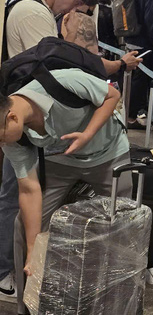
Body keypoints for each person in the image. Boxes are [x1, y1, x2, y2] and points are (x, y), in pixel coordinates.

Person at [1, 68, 133, 312]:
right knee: (24, 226)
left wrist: (87, 133)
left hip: (109, 152)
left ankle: (116, 304)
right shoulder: (11, 135)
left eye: (0, 138)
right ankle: (28, 306)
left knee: (121, 228)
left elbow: (112, 96)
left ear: (12, 118)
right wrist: (33, 251)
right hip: (61, 160)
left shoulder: (64, 81)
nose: (2, 145)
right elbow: (29, 190)